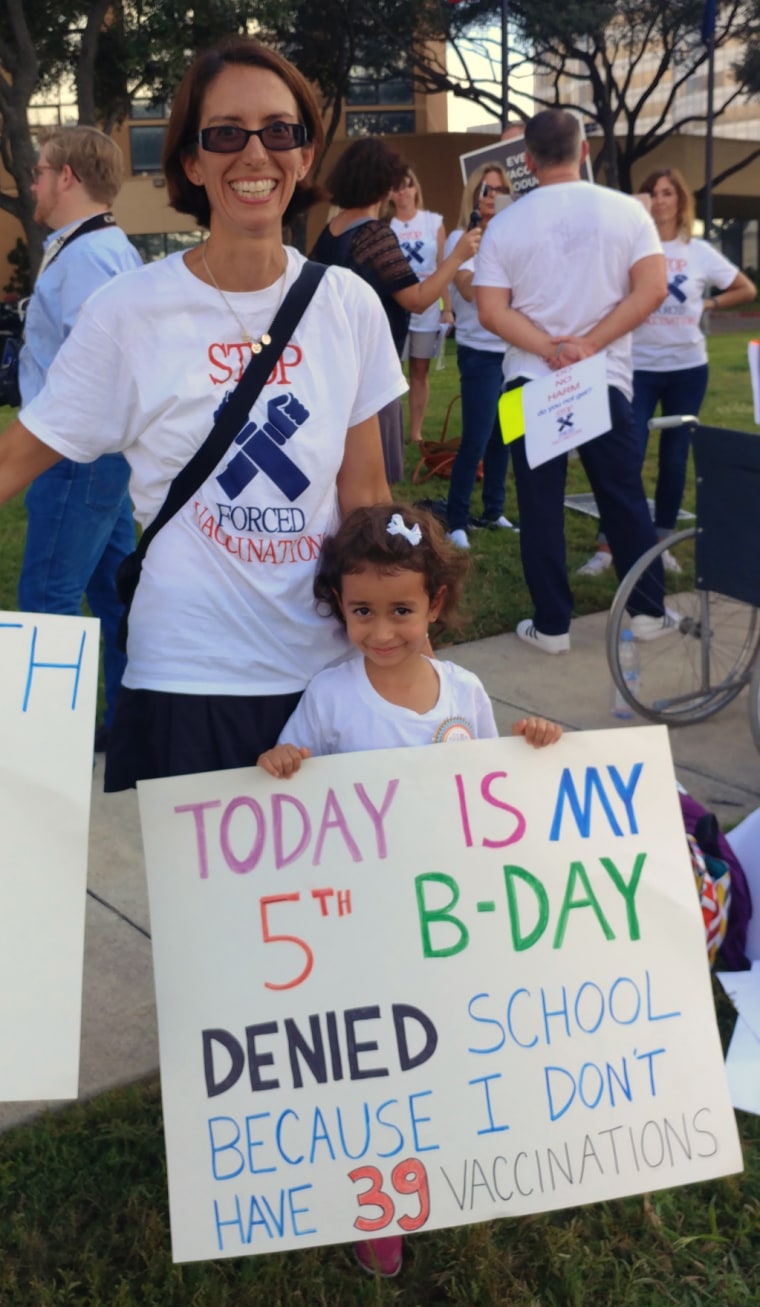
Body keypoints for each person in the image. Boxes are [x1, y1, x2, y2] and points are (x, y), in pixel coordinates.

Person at [0, 36, 405, 790]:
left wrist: (399, 644)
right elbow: (15, 459)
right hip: (185, 678)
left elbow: (366, 499)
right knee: (205, 912)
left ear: (306, 154)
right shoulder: (129, 311)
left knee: (330, 905)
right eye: (225, 134)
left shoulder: (348, 305)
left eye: (279, 131)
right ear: (192, 160)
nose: (255, 154)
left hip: (323, 672)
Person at [257, 501, 563, 1279]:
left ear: (436, 603)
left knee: (444, 1053)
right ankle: (382, 1202)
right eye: (362, 611)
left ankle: (453, 1159)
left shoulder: (464, 691)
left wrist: (533, 748)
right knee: (377, 1066)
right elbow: (294, 778)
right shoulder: (331, 698)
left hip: (448, 924)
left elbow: (493, 793)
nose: (382, 629)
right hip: (364, 932)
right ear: (340, 608)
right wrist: (287, 760)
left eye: (401, 609)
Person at [476, 108, 671, 654]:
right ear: (584, 151)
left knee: (538, 505)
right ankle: (649, 610)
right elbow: (652, 290)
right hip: (603, 376)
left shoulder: (506, 223)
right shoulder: (627, 212)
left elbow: (491, 311)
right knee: (623, 496)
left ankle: (552, 625)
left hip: (526, 380)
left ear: (529, 161)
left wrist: (549, 348)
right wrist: (589, 345)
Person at [17, 126, 143, 750]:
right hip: (96, 457)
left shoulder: (89, 258)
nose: (33, 182)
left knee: (47, 597)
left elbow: (98, 373)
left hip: (72, 456)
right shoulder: (99, 248)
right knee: (115, 594)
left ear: (67, 177)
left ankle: (48, 746)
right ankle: (127, 726)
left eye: (41, 171)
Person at [579, 166, 756, 576]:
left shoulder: (698, 252)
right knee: (625, 456)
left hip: (687, 369)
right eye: (652, 193)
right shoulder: (631, 246)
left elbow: (745, 288)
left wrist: (709, 305)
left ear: (680, 201)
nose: (659, 201)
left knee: (675, 460)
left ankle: (662, 543)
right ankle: (607, 547)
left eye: (666, 193)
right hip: (637, 369)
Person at [310, 139, 480, 483]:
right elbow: (416, 298)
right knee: (373, 484)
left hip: (334, 368)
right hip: (369, 374)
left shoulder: (331, 231)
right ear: (384, 185)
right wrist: (458, 257)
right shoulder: (375, 235)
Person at [444, 163, 516, 550]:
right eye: (485, 190)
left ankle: (494, 510)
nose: (491, 197)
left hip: (513, 353)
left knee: (504, 438)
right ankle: (456, 519)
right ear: (473, 194)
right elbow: (470, 291)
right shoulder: (461, 238)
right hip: (480, 353)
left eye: (499, 190)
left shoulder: (512, 238)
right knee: (475, 439)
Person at [388, 167, 453, 443]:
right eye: (396, 187)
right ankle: (390, 430)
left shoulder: (432, 222)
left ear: (416, 189)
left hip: (427, 307)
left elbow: (443, 266)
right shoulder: (385, 226)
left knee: (419, 369)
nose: (402, 191)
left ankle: (415, 432)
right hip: (395, 306)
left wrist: (446, 308)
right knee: (391, 370)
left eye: (407, 185)